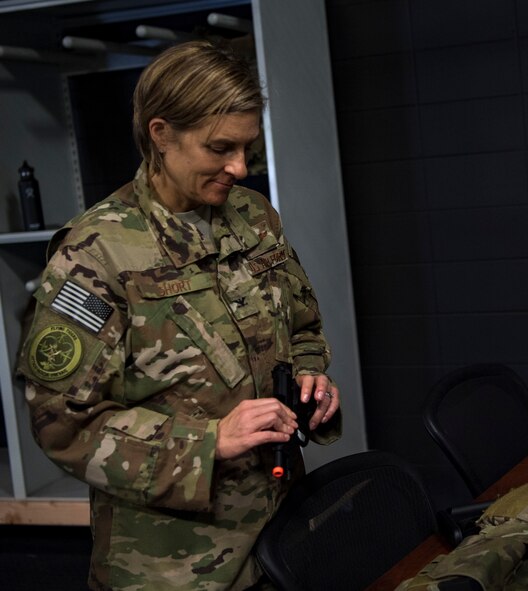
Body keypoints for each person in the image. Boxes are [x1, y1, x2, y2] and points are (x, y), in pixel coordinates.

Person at [15, 40, 342, 591]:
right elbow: (63, 424)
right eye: (220, 147)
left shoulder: (253, 216)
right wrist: (209, 442)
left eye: (247, 148)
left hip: (283, 538)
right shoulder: (96, 253)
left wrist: (312, 376)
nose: (239, 167)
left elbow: (303, 326)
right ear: (161, 134)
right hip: (172, 566)